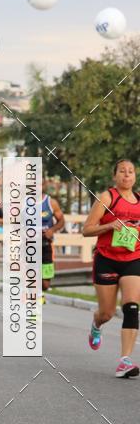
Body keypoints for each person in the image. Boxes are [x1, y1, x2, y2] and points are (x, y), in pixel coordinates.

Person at [83, 158, 140, 378]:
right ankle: (97, 324)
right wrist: (110, 225)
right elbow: (87, 230)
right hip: (106, 259)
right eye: (122, 171)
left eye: (131, 172)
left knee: (132, 308)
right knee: (107, 313)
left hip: (133, 258)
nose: (127, 175)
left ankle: (125, 361)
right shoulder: (107, 198)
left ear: (135, 176)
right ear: (114, 176)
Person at [41, 179, 65, 302]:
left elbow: (62, 221)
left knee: (45, 284)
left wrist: (52, 230)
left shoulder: (51, 202)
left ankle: (38, 293)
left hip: (46, 245)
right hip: (28, 245)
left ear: (44, 185)